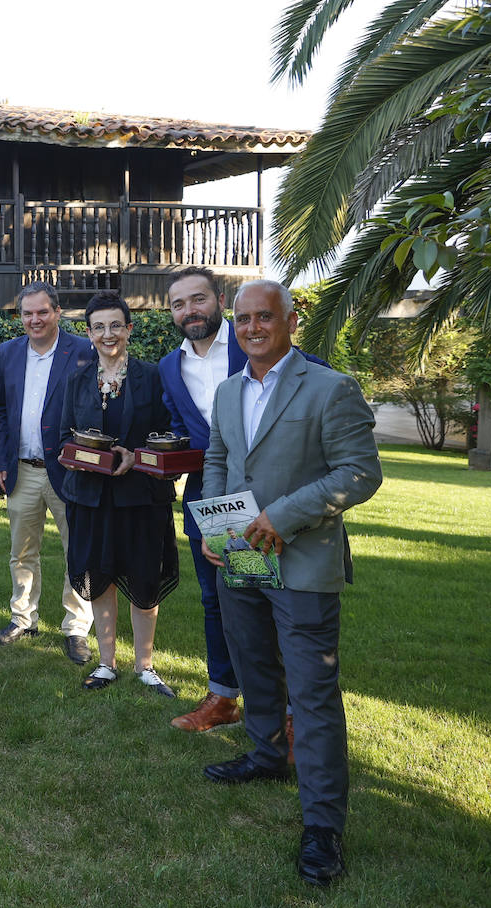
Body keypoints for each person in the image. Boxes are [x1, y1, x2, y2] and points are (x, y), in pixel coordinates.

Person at [199, 279, 381, 887]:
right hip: (239, 560)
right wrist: (212, 520)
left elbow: (360, 472)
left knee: (313, 693)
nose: (252, 327)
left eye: (264, 317)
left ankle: (323, 826)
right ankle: (269, 755)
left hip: (302, 564)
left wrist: (284, 515)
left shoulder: (331, 388)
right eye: (243, 319)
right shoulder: (228, 392)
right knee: (254, 668)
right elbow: (218, 459)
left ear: (289, 319)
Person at [160, 266, 331, 733]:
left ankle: (294, 716)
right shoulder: (168, 367)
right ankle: (223, 696)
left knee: (285, 608)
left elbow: (313, 385)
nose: (189, 310)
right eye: (178, 304)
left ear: (218, 300)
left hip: (280, 500)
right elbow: (189, 434)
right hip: (212, 500)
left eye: (198, 299)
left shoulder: (256, 339)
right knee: (221, 602)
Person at [57, 291, 178, 696]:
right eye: (98, 327)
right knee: (100, 577)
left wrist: (136, 455)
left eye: (115, 325)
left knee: (144, 578)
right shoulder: (75, 380)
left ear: (129, 328)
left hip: (141, 496)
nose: (107, 334)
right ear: (88, 333)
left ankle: (145, 665)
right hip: (91, 498)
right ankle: (107, 663)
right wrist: (72, 456)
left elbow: (169, 434)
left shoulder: (153, 376)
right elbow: (62, 437)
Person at [0, 281, 96, 662]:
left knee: (77, 551)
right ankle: (23, 618)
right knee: (22, 551)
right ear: (20, 316)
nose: (35, 319)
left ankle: (76, 627)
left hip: (68, 470)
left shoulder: (83, 350)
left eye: (42, 312)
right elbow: (1, 410)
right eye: (27, 313)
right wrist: (3, 461)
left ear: (57, 313)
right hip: (22, 468)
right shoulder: (8, 352)